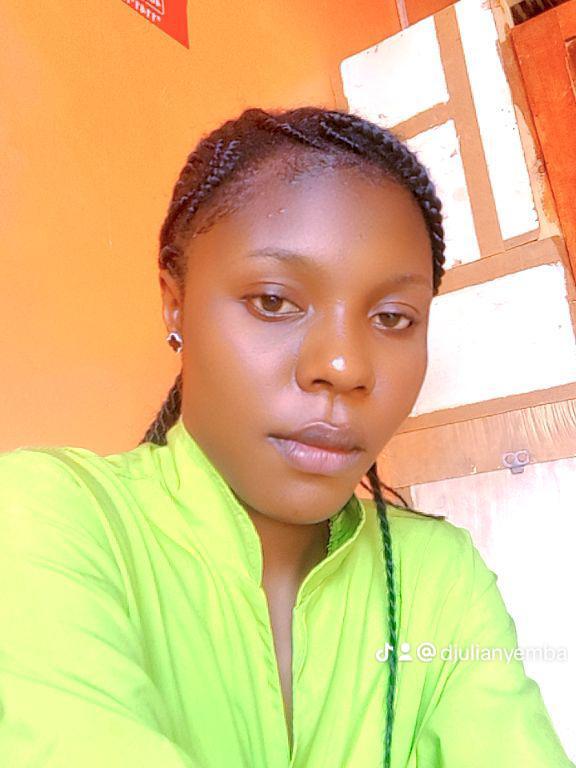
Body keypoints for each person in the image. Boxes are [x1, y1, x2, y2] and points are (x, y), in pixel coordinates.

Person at [0, 106, 572, 768]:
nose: (345, 366)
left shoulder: (439, 578)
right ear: (175, 302)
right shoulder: (45, 515)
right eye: (274, 301)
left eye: (393, 317)